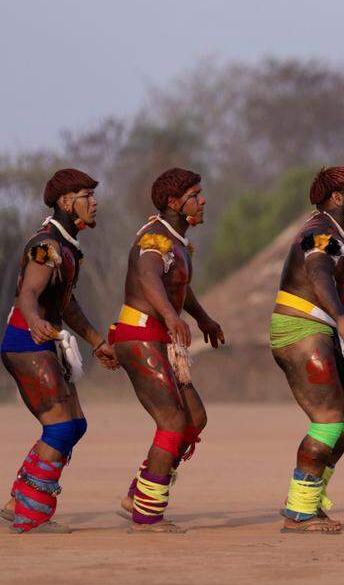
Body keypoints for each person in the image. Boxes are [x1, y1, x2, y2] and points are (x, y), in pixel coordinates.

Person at [110, 168, 224, 533]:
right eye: (195, 194)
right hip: (140, 334)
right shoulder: (155, 239)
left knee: (194, 419)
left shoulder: (176, 242)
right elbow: (148, 277)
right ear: (174, 203)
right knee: (173, 421)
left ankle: (140, 493)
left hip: (159, 336)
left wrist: (203, 319)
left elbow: (178, 286)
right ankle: (147, 514)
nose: (203, 199)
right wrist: (171, 316)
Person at [2, 170, 114, 533]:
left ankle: (18, 500)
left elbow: (66, 305)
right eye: (86, 195)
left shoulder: (66, 247)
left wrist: (97, 341)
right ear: (66, 202)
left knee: (75, 424)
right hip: (26, 342)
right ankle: (31, 515)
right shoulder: (46, 244)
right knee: (61, 427)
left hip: (42, 341)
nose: (94, 202)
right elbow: (28, 294)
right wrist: (33, 319)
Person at [271, 167, 344, 534]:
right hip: (300, 329)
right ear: (335, 198)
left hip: (324, 330)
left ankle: (311, 497)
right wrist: (343, 318)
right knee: (329, 420)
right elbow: (319, 273)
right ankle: (299, 512)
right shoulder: (319, 233)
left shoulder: (340, 236)